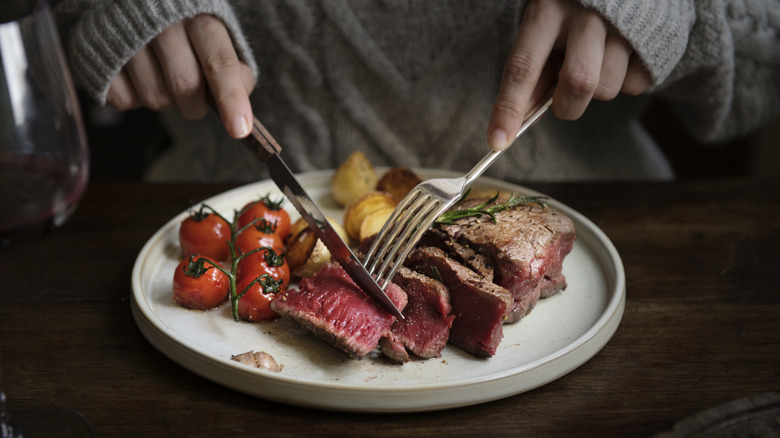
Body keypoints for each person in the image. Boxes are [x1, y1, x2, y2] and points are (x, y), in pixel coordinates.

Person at [54, 0, 780, 182]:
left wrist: (684, 9)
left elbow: (766, 63)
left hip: (610, 286)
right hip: (222, 289)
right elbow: (33, 33)